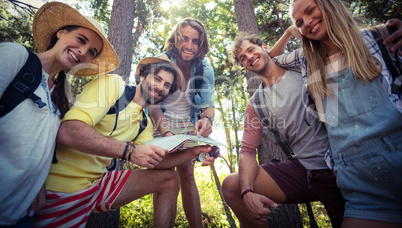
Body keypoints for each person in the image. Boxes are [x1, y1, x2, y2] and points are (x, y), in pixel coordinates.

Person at [34, 55, 215, 228]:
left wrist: (195, 152)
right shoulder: (113, 85)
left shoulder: (143, 123)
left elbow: (156, 161)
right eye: (157, 79)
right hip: (61, 187)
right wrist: (129, 151)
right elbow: (68, 131)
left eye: (167, 85)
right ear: (142, 76)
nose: (161, 87)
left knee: (169, 178)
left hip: (97, 186)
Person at [273, 0, 402, 227]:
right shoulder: (306, 60)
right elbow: (271, 58)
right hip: (359, 187)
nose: (307, 23)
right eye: (300, 22)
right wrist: (290, 32)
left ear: (329, 4)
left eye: (310, 11)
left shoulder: (379, 39)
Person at [0, 1, 119, 227]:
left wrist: (38, 183)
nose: (83, 51)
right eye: (81, 40)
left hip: (22, 215)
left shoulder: (60, 96)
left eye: (91, 52)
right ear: (61, 33)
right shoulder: (16, 58)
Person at [221, 32, 345, 228]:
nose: (249, 57)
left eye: (251, 50)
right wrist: (247, 192)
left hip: (344, 162)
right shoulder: (256, 104)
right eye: (242, 58)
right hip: (306, 172)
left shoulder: (299, 67)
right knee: (231, 186)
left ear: (265, 47)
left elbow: (337, 47)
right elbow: (247, 151)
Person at [149, 18, 215, 227]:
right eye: (185, 39)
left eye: (195, 41)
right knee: (165, 176)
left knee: (187, 174)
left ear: (201, 44)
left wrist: (207, 119)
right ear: (176, 39)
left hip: (188, 122)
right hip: (159, 121)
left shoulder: (205, 69)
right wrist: (168, 137)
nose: (189, 45)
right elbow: (153, 107)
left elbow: (208, 106)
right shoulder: (160, 61)